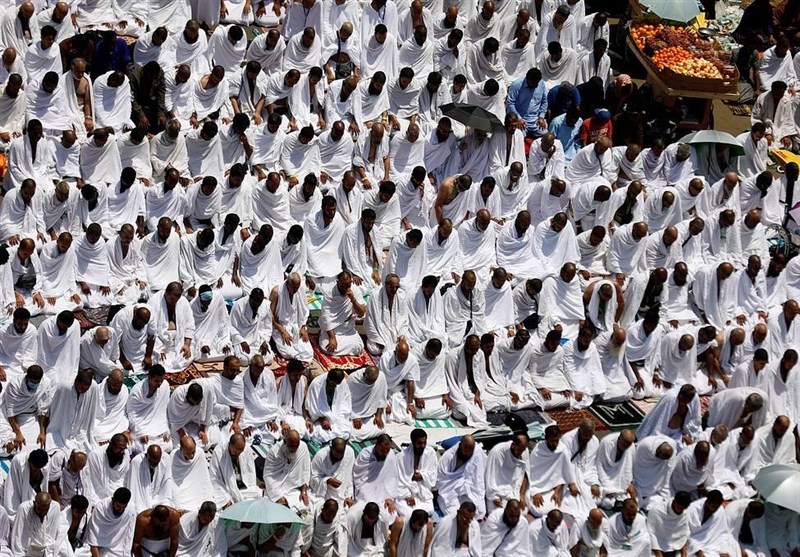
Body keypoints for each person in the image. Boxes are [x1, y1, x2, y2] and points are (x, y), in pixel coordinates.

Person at [209, 433, 261, 506]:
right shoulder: (219, 452)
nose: (237, 455)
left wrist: (250, 486)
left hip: (243, 488)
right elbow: (214, 478)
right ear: (230, 445)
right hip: (227, 490)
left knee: (257, 494)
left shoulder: (246, 449)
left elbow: (250, 474)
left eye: (240, 452)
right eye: (235, 452)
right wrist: (224, 497)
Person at [10, 492, 66, 556]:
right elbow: (17, 537)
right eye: (39, 509)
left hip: (47, 551)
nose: (42, 513)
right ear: (34, 503)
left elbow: (53, 535)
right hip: (27, 552)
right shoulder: (24, 509)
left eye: (45, 510)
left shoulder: (55, 507)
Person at [486, 433, 530, 513]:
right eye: (519, 450)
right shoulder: (497, 452)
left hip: (513, 489)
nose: (521, 453)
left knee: (522, 512)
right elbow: (490, 476)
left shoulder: (524, 451)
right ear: (513, 445)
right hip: (497, 491)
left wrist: (522, 495)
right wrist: (495, 497)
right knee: (497, 513)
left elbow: (526, 474)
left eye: (523, 450)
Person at [85, 488, 137, 557]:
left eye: (124, 507)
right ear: (113, 500)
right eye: (118, 506)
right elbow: (93, 538)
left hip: (119, 550)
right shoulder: (100, 509)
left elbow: (128, 538)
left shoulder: (131, 509)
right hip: (100, 549)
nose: (120, 510)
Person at [171, 436, 213, 513]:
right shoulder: (174, 456)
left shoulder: (200, 453)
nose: (191, 456)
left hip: (198, 491)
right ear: (181, 450)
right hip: (181, 492)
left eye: (193, 452)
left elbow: (204, 477)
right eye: (188, 453)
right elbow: (173, 481)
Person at [126, 445, 173, 514]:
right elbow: (133, 487)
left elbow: (167, 482)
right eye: (152, 461)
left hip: (158, 497)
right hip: (142, 500)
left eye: (157, 462)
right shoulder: (136, 462)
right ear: (147, 455)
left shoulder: (165, 459)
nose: (154, 464)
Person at [310, 437, 355, 505]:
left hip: (342, 498)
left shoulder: (349, 453)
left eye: (340, 456)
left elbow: (350, 478)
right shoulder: (321, 456)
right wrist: (327, 481)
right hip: (321, 496)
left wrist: (349, 496)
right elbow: (312, 480)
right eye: (335, 456)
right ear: (331, 449)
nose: (338, 458)